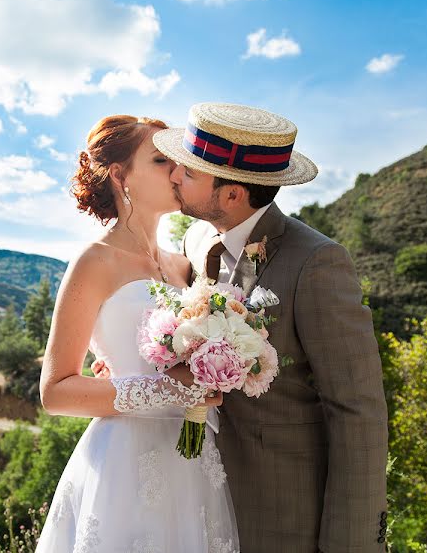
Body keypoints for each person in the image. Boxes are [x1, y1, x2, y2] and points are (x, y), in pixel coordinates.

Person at [151, 102, 389, 552]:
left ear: (233, 194)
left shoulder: (317, 263)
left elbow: (358, 410)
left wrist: (352, 543)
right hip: (198, 498)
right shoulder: (197, 239)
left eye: (192, 173)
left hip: (284, 512)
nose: (175, 177)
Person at [37, 114, 239, 552]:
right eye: (160, 160)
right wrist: (168, 389)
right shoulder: (95, 262)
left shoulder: (184, 264)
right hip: (125, 465)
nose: (178, 171)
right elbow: (55, 392)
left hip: (193, 464)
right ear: (119, 175)